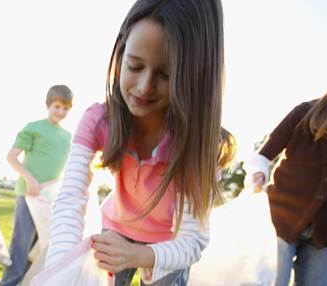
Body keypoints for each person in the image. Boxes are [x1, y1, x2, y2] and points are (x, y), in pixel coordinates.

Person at [44, 0, 234, 285]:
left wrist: (140, 256)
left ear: (192, 77)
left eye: (166, 74)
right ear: (120, 58)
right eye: (135, 66)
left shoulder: (198, 144)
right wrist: (60, 268)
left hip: (168, 246)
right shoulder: (99, 120)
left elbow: (192, 241)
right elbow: (70, 197)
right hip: (116, 231)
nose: (145, 87)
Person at [244, 55, 327, 286]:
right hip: (281, 219)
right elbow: (262, 157)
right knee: (272, 283)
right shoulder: (305, 114)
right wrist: (259, 173)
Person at [0, 84, 74, 286]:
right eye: (57, 106)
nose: (61, 112)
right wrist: (29, 178)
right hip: (28, 195)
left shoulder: (67, 136)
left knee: (41, 245)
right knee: (20, 244)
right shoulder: (34, 127)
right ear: (48, 105)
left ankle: (28, 282)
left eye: (66, 108)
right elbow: (11, 156)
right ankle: (9, 283)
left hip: (49, 198)